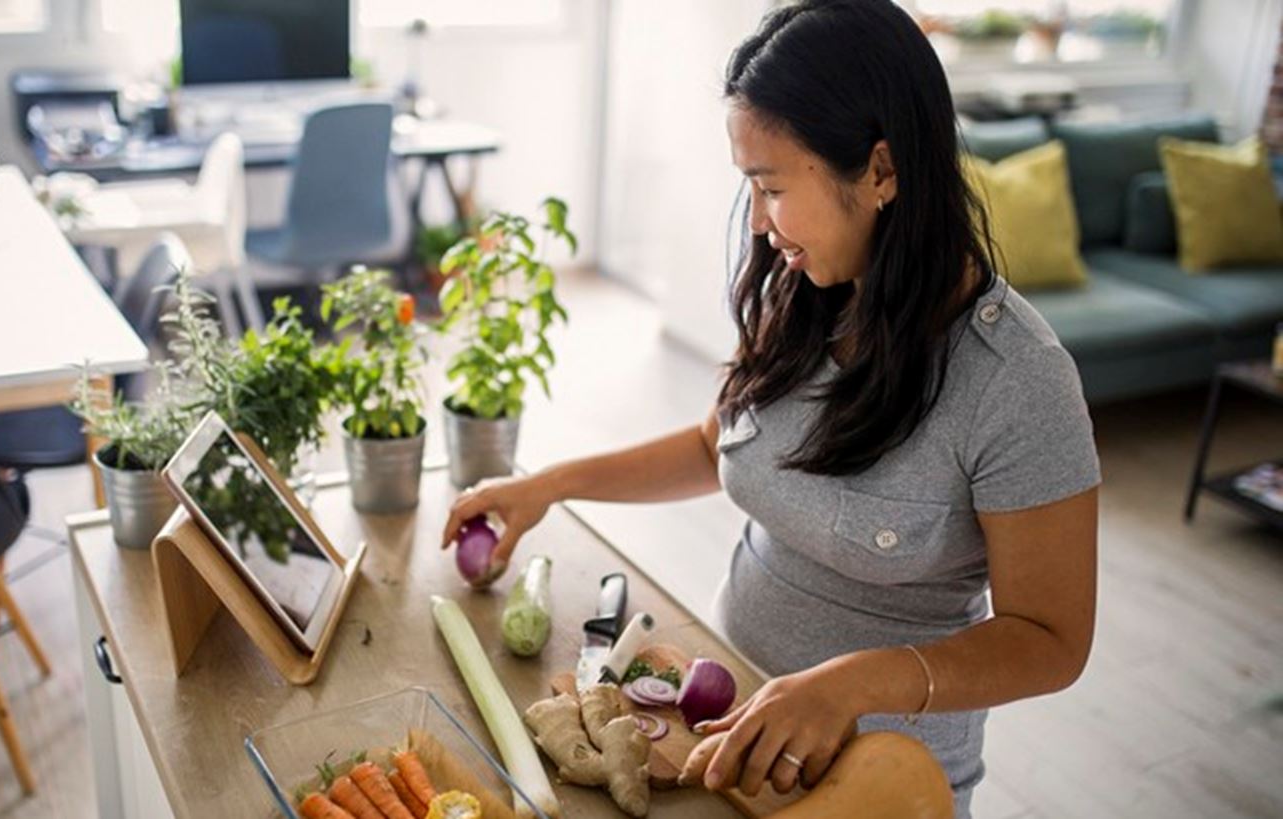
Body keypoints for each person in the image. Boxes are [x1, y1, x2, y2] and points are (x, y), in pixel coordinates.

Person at [441, 1, 1100, 815]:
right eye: (747, 185)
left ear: (882, 170)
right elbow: (714, 445)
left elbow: (1051, 640)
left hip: (880, 784)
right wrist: (548, 483)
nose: (756, 222)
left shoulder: (1017, 380)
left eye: (772, 186)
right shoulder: (808, 292)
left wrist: (855, 682)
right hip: (720, 731)